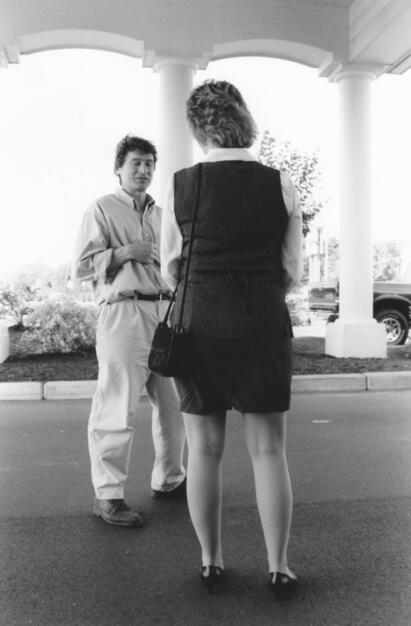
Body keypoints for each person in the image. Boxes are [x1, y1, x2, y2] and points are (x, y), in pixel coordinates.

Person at [160, 81, 302, 596]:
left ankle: (211, 561)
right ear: (244, 118)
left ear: (198, 130)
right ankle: (278, 566)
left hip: (199, 326)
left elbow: (172, 268)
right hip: (262, 323)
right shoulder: (280, 183)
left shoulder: (180, 186)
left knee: (203, 449)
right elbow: (291, 270)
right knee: (269, 450)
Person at [72, 135, 186, 528]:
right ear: (118, 168)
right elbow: (81, 267)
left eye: (150, 163)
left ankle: (170, 480)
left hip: (165, 313)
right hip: (124, 313)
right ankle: (108, 495)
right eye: (136, 162)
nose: (144, 170)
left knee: (172, 404)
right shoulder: (102, 209)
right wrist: (125, 253)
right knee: (117, 405)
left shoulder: (164, 214)